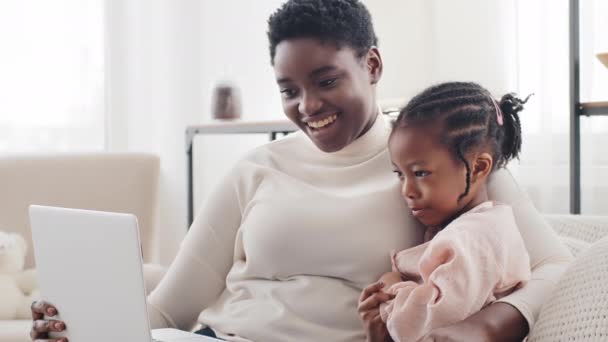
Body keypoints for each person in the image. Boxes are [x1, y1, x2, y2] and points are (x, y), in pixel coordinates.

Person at [30, 1, 573, 341]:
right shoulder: (257, 168)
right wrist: (78, 325)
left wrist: (489, 325)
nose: (308, 105)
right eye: (289, 90)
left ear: (373, 65)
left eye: (326, 80)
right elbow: (171, 308)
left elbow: (556, 265)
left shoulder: (438, 157)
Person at [359, 82, 533, 342]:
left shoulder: (473, 239)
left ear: (478, 168)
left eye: (420, 173)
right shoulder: (467, 227)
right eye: (400, 174)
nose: (407, 190)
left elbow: (420, 326)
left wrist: (391, 284)